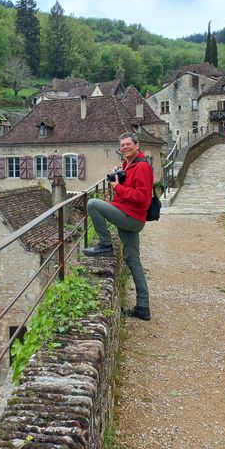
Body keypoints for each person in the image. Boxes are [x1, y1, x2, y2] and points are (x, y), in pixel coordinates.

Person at [83, 132, 153, 321]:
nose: (124, 148)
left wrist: (116, 187)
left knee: (92, 204)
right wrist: (120, 178)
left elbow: (142, 197)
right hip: (127, 213)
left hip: (132, 217)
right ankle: (143, 307)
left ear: (137, 145)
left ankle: (105, 245)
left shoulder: (143, 167)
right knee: (133, 260)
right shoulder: (128, 165)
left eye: (128, 144)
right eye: (122, 145)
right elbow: (128, 192)